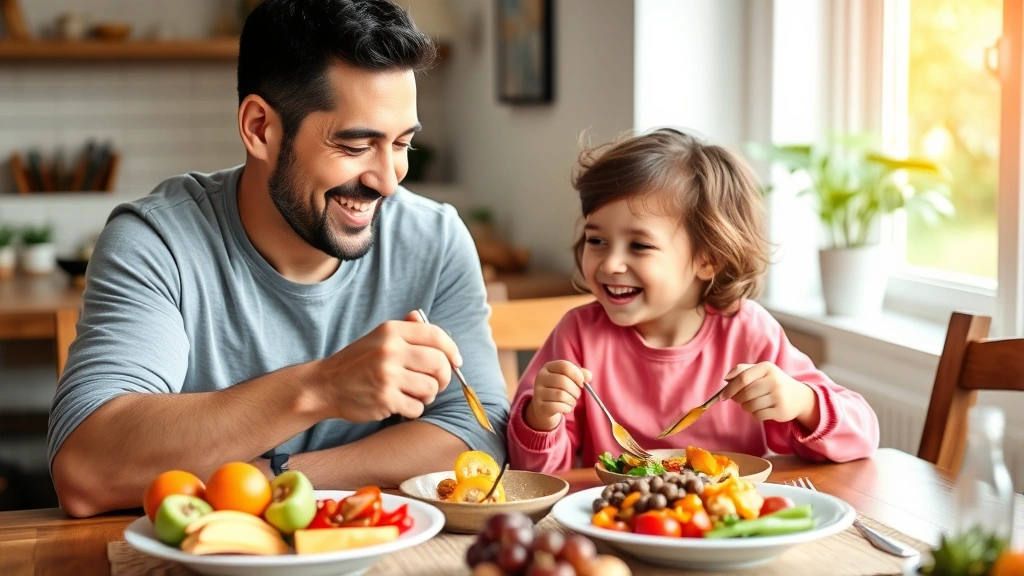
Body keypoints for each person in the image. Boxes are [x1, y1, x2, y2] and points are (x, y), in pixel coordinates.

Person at [47, 0, 509, 518]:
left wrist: (277, 478)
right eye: (356, 146)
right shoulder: (157, 242)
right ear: (260, 127)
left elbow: (478, 437)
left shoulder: (436, 239)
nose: (389, 179)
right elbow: (87, 470)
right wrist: (321, 387)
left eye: (402, 143)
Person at [507, 129, 879, 474]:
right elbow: (534, 475)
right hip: (616, 524)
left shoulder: (749, 332)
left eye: (639, 245)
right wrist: (541, 418)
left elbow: (863, 434)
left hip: (725, 525)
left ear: (708, 258)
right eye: (596, 240)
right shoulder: (578, 335)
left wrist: (802, 403)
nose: (610, 263)